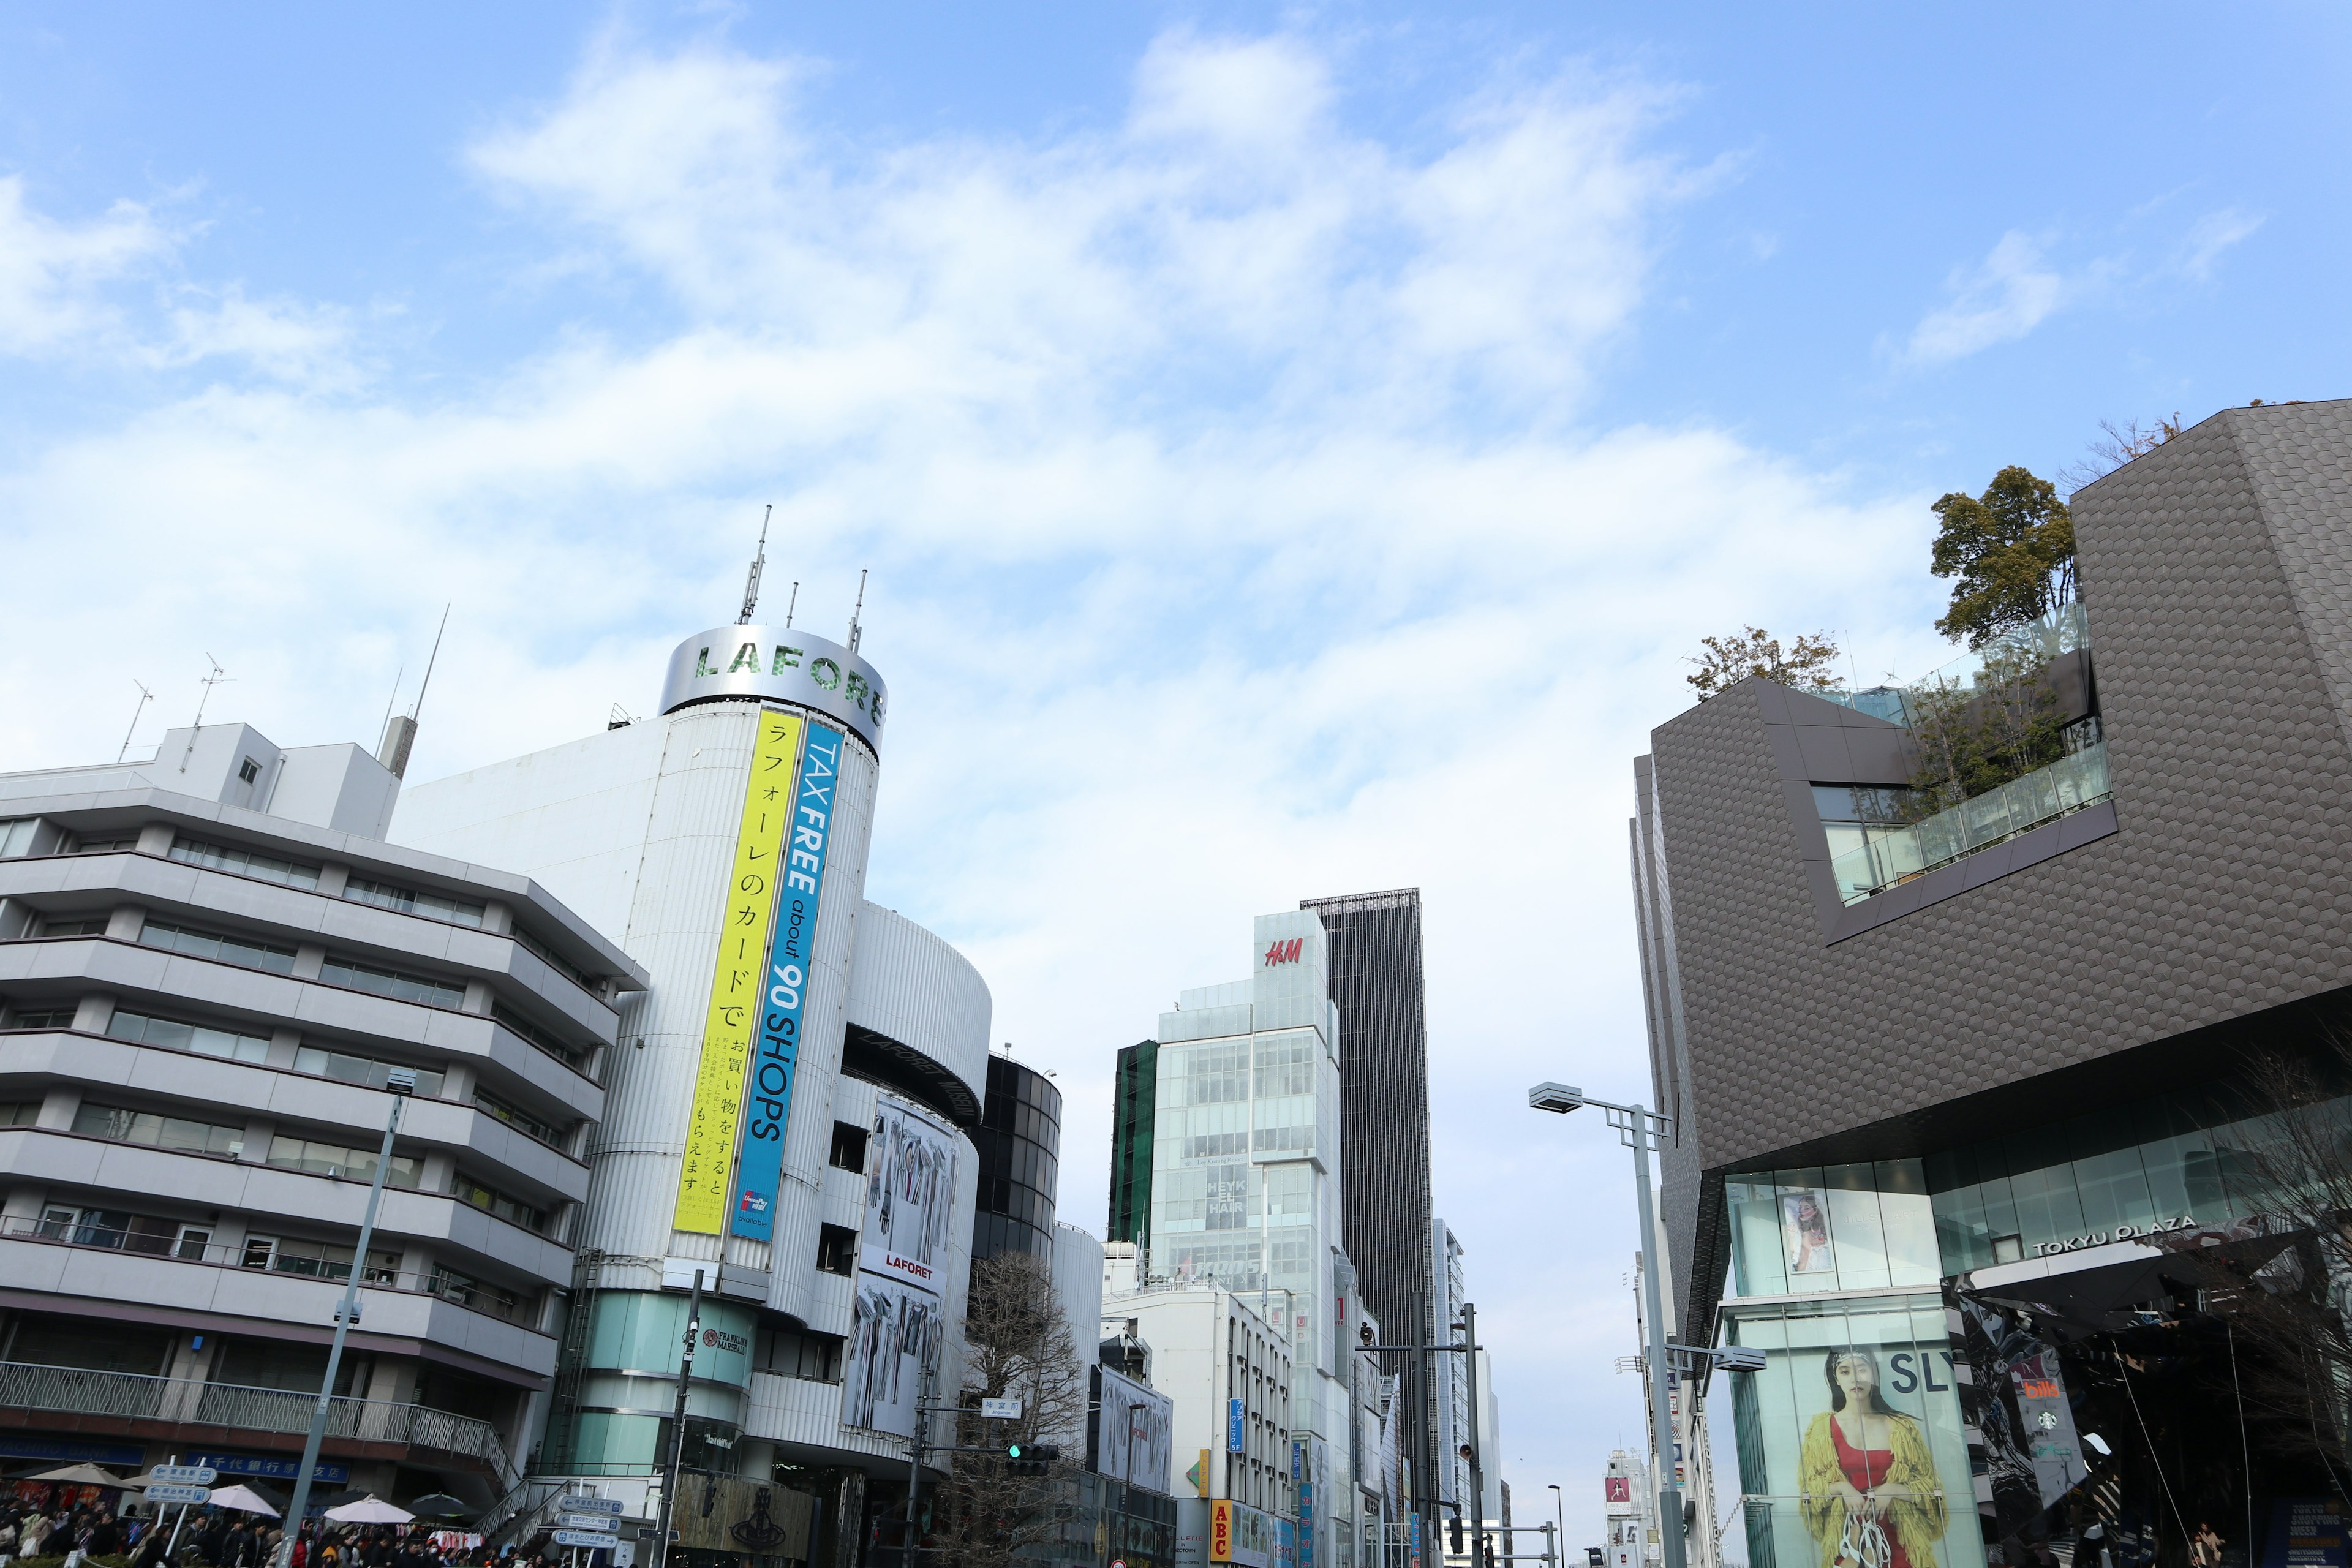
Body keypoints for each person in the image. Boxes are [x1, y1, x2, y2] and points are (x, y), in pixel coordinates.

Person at [1800, 1349, 1950, 1568]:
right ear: (1836, 1379)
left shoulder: (1902, 1427)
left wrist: (1893, 1490)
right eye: (1845, 1371)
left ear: (1874, 1376)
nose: (1855, 1378)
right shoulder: (1822, 1430)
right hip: (1850, 1545)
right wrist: (1841, 1487)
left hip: (1902, 1547)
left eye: (1862, 1369)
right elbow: (1808, 1494)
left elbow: (1932, 1490)